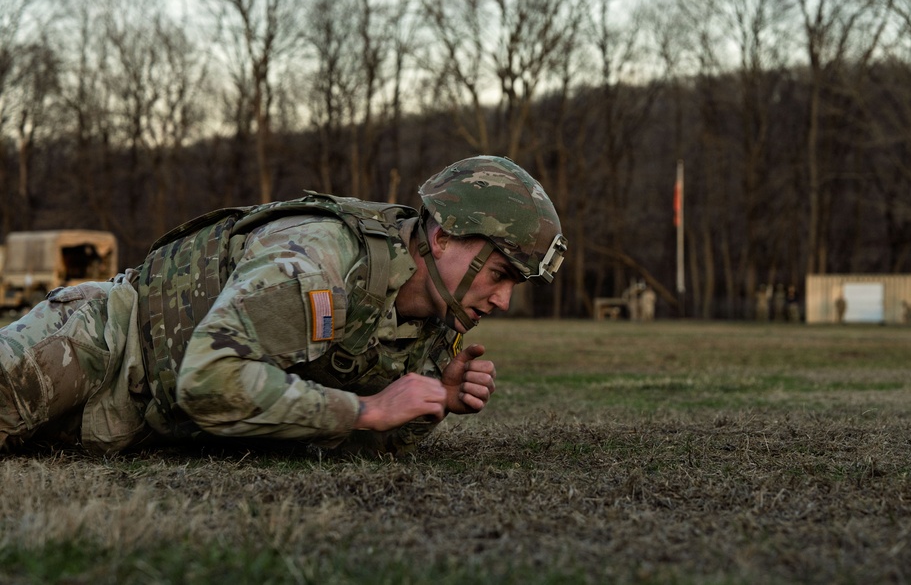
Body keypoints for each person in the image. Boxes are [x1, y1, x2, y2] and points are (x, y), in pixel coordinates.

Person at [0, 155, 567, 456]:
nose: (503, 299)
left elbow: (351, 447)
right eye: (498, 274)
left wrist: (429, 404)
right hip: (102, 342)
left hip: (142, 426)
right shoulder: (319, 261)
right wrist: (367, 409)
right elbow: (208, 378)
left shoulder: (428, 324)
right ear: (442, 238)